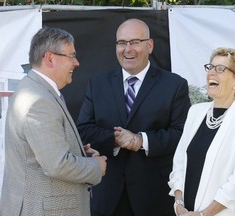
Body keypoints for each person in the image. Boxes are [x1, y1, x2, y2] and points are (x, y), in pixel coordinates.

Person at [77, 18, 191, 216]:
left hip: (155, 196)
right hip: (107, 195)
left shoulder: (174, 85)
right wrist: (114, 139)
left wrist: (141, 140)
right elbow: (84, 129)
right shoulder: (97, 84)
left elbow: (182, 134)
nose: (127, 49)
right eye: (121, 42)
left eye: (135, 42)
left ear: (150, 45)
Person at [0, 26, 107, 216]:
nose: (77, 63)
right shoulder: (38, 100)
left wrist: (79, 153)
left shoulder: (35, 90)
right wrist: (95, 167)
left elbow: (41, 152)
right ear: (50, 58)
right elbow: (57, 164)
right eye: (71, 56)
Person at [168, 47, 235, 216]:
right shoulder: (195, 112)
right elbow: (179, 164)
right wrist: (179, 205)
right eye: (210, 67)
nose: (211, 73)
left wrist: (204, 214)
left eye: (220, 69)